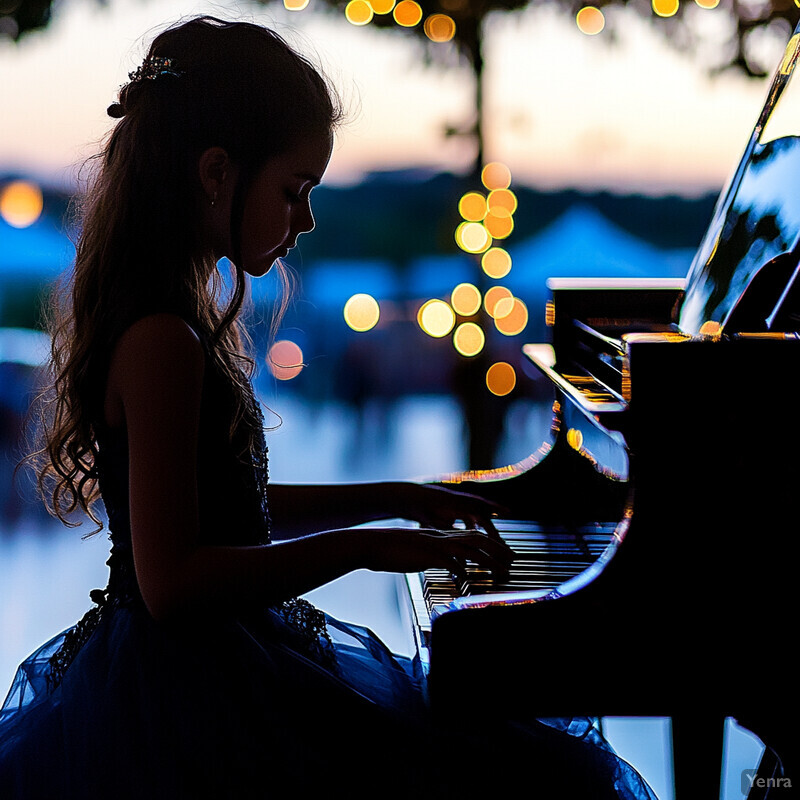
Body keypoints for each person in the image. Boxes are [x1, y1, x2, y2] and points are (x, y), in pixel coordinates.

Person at [0, 17, 658, 799]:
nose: (306, 220)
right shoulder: (162, 340)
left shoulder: (168, 321)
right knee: (528, 773)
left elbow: (227, 514)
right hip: (193, 698)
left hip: (210, 668)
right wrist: (363, 547)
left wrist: (395, 500)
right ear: (216, 173)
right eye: (295, 190)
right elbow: (173, 581)